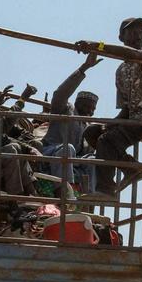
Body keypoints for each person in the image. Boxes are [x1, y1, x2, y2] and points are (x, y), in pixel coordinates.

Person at [87, 18, 142, 195]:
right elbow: (126, 107)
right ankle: (131, 167)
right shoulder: (121, 72)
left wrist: (98, 46)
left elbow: (136, 55)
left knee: (107, 140)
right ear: (121, 37)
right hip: (133, 118)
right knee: (93, 133)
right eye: (133, 33)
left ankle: (106, 190)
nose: (139, 36)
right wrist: (108, 124)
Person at [40, 53, 100, 187]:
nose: (90, 111)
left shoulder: (89, 126)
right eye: (86, 106)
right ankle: (65, 192)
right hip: (51, 153)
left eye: (93, 109)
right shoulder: (65, 110)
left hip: (73, 163)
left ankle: (89, 198)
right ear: (77, 103)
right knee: (67, 148)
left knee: (94, 160)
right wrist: (83, 69)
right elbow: (60, 94)